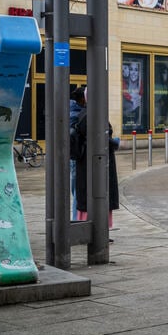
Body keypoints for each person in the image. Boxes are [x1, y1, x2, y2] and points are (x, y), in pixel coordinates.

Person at [73, 87, 120, 234]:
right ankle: (96, 231)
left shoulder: (86, 113)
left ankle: (96, 230)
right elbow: (100, 138)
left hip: (90, 162)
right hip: (95, 163)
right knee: (96, 196)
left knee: (90, 197)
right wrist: (115, 143)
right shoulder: (92, 114)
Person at [68, 87, 86, 220]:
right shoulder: (76, 114)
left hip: (75, 155)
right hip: (77, 155)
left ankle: (78, 219)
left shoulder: (76, 111)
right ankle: (76, 219)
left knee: (78, 189)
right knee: (78, 190)